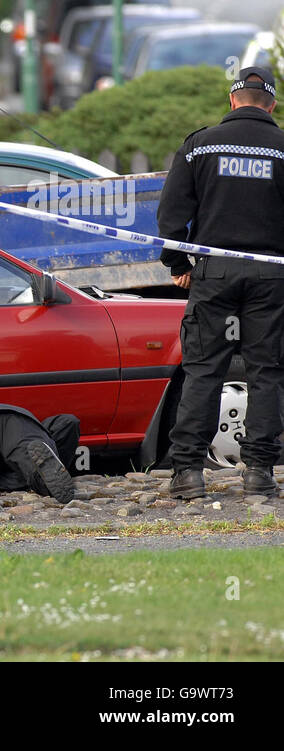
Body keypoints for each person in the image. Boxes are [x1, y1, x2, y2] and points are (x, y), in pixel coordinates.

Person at [158, 66, 284, 500]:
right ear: (271, 104)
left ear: (232, 101)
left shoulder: (200, 145)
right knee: (267, 372)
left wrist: (178, 262)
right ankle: (260, 472)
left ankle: (189, 473)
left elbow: (172, 211)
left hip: (213, 273)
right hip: (272, 275)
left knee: (203, 370)